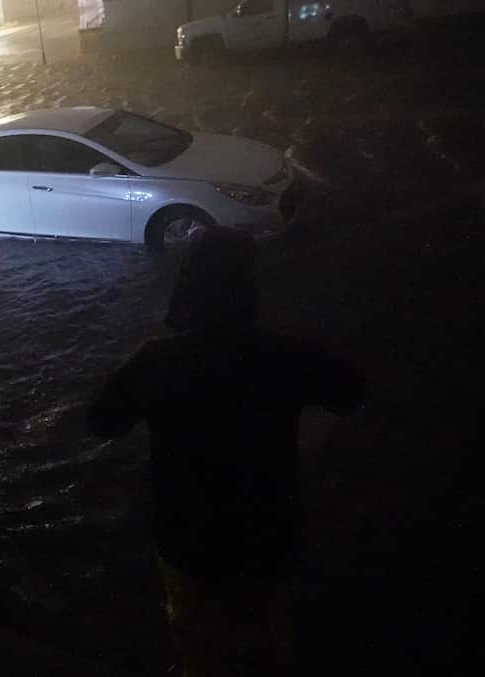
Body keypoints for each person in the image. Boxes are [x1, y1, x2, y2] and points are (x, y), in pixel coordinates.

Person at [88, 227, 364, 676]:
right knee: (266, 643)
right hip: (268, 534)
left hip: (188, 536)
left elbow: (102, 423)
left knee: (198, 645)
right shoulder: (283, 355)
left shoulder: (157, 359)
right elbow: (351, 393)